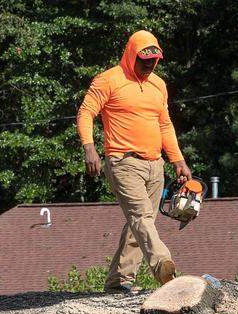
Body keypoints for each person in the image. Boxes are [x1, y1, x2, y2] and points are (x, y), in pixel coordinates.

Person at [77, 30, 192, 294]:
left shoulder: (158, 85)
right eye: (143, 61)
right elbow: (86, 113)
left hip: (155, 164)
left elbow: (165, 124)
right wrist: (89, 148)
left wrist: (177, 159)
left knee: (140, 222)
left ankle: (119, 281)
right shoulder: (109, 80)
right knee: (142, 217)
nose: (149, 66)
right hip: (122, 161)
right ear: (131, 55)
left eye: (154, 61)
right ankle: (163, 265)